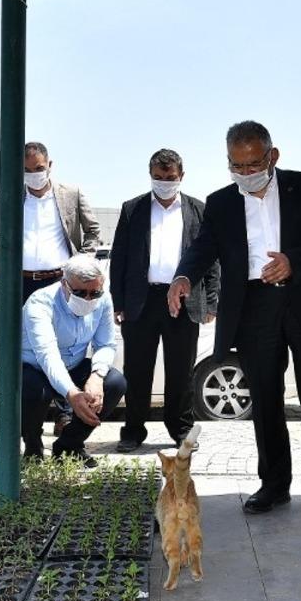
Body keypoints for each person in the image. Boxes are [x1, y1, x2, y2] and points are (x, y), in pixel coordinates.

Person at [168, 121, 301, 517]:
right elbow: (203, 248)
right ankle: (273, 484)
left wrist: (294, 262)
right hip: (253, 307)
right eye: (236, 166)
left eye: (254, 164)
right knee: (266, 399)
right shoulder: (221, 202)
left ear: (273, 156)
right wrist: (183, 276)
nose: (246, 173)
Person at [0, 141, 101, 433]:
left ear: (50, 165)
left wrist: (81, 264)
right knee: (15, 349)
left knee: (63, 347)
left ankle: (65, 414)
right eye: (26, 170)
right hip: (19, 283)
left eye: (38, 168)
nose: (33, 174)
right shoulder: (10, 195)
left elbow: (93, 230)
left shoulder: (71, 193)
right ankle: (9, 418)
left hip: (61, 282)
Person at [109, 149, 218, 454]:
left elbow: (211, 258)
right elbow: (119, 259)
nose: (164, 182)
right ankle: (133, 430)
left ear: (181, 176)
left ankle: (181, 429)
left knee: (181, 371)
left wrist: (211, 301)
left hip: (184, 301)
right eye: (158, 177)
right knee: (137, 370)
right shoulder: (133, 209)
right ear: (150, 176)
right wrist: (118, 302)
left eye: (170, 177)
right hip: (141, 301)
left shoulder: (199, 210)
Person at [21, 254, 127, 467]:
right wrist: (72, 394)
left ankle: (69, 445)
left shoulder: (104, 299)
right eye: (80, 293)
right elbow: (48, 355)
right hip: (35, 367)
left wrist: (97, 376)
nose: (88, 299)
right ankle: (33, 449)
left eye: (94, 292)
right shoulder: (40, 302)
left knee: (115, 383)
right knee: (33, 391)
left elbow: (106, 344)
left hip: (74, 364)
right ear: (64, 284)